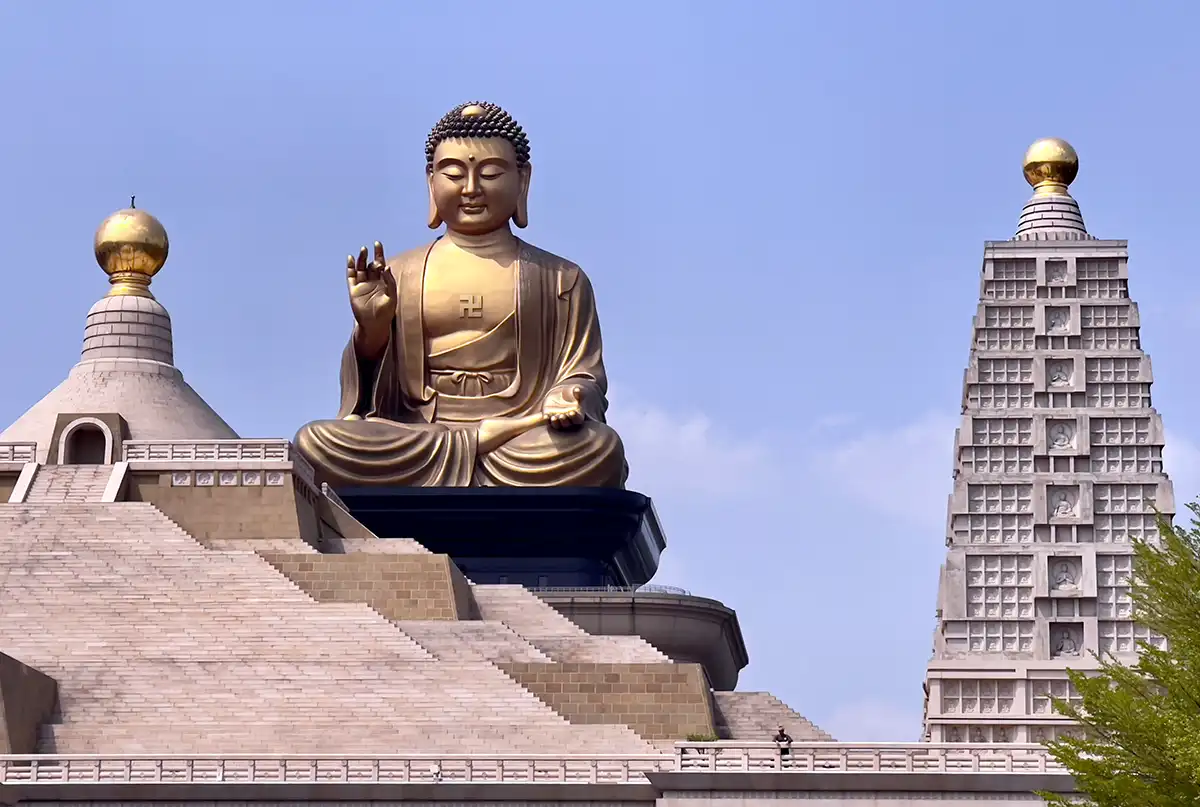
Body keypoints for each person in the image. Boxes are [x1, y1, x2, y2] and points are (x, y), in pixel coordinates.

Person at [294, 101, 627, 488]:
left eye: (490, 173)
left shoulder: (561, 279)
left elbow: (582, 373)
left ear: (523, 180)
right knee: (316, 442)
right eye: (454, 174)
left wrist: (567, 396)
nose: (471, 189)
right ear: (430, 181)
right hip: (421, 433)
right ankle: (474, 452)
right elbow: (367, 402)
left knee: (599, 448)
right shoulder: (399, 274)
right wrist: (373, 330)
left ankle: (481, 451)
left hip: (522, 437)